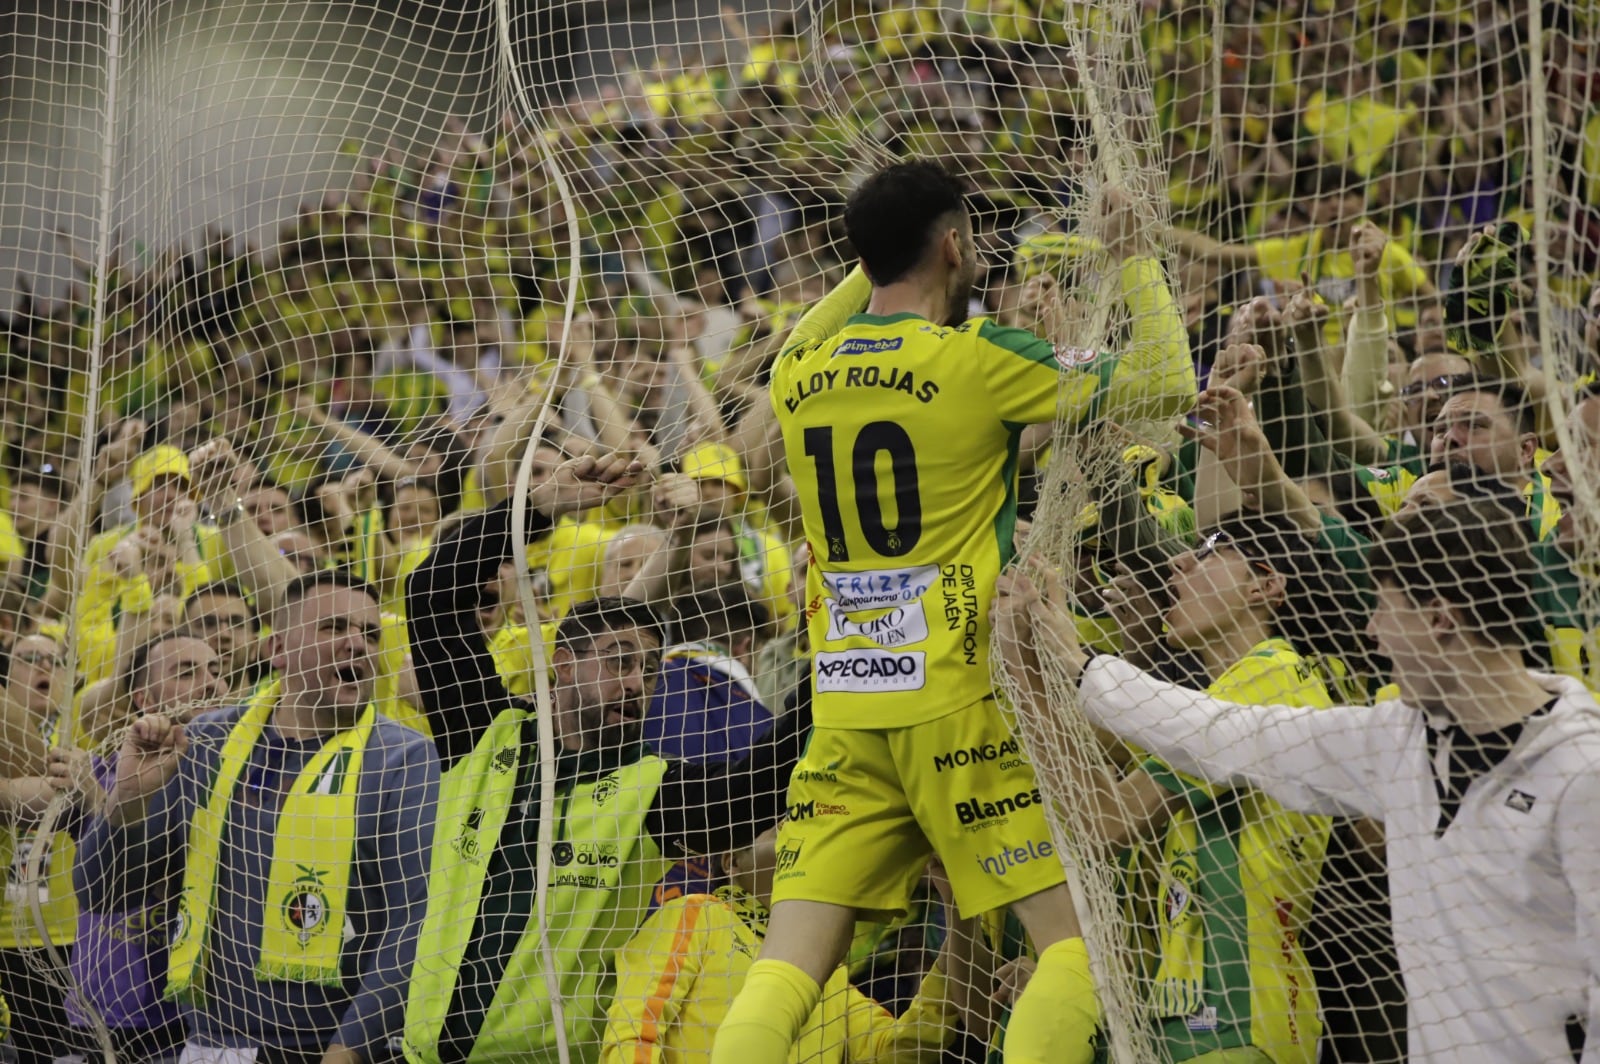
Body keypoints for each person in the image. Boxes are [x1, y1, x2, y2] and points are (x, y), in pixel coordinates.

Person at [712, 159, 1195, 1064]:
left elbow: (809, 331)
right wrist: (1133, 257)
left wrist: (874, 253)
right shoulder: (978, 359)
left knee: (785, 970)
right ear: (953, 246)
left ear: (863, 257)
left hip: (845, 704)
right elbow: (1168, 380)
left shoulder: (801, 370)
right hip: (959, 699)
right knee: (1078, 951)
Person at [1019, 498, 1600, 1063]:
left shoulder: (1583, 771)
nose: (1373, 631)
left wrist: (1052, 672)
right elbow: (1220, 732)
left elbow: (1112, 813)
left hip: (1248, 1020)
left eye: (1386, 609)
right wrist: (1080, 666)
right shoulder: (1395, 738)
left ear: (1440, 618)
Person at [400, 452, 810, 1063]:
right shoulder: (483, 731)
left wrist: (837, 663)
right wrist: (536, 509)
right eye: (619, 660)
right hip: (423, 1054)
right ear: (563, 666)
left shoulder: (652, 788)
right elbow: (431, 591)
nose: (637, 683)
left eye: (649, 671)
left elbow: (760, 783)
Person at [998, 511, 1371, 1063]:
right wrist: (1037, 656)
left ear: (1264, 586)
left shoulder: (1270, 673)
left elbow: (1103, 820)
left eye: (1210, 549)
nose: (1179, 563)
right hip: (1196, 1021)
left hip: (1237, 1021)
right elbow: (1096, 769)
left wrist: (1026, 667)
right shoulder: (1220, 697)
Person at [75, 570, 440, 1064]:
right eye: (333, 627)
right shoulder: (206, 741)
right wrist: (129, 801)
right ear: (277, 649)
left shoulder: (405, 758)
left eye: (370, 633)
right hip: (208, 1043)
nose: (357, 644)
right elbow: (102, 894)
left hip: (335, 1049)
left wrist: (350, 1048)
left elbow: (416, 920)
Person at [601, 825, 992, 1064]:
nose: (798, 843)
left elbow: (899, 1051)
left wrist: (956, 908)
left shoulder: (826, 967)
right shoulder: (698, 914)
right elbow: (635, 1032)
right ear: (732, 863)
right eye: (780, 829)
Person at [58, 632, 230, 1063]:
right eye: (186, 673)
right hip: (102, 1022)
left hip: (194, 1021)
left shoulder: (244, 780)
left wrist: (97, 798)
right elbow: (17, 797)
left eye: (216, 670)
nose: (210, 684)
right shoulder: (98, 769)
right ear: (144, 698)